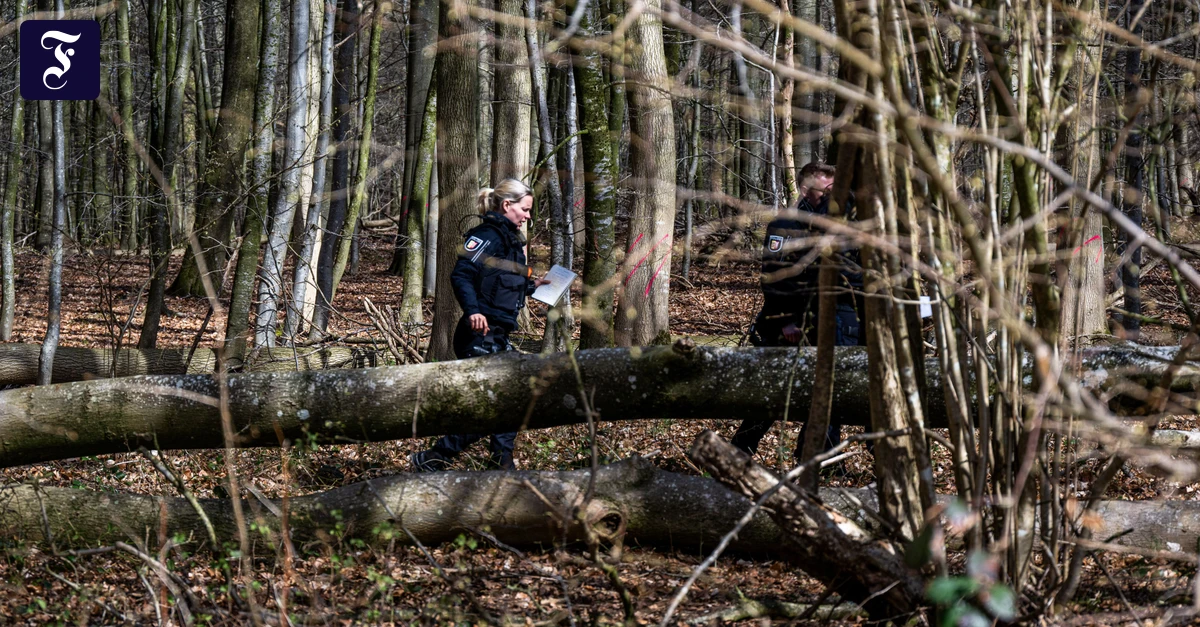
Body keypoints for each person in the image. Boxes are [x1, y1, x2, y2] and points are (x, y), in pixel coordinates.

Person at [410, 179, 548, 472]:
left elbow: (500, 286)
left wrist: (532, 286)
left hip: (498, 335)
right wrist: (473, 311)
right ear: (507, 205)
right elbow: (461, 274)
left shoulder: (512, 243)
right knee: (496, 406)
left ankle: (499, 463)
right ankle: (435, 458)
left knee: (513, 400)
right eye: (524, 210)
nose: (528, 216)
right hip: (477, 334)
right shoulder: (486, 235)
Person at [732, 162, 865, 459]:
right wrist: (785, 320)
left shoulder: (844, 221)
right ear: (806, 189)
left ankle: (817, 456)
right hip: (792, 320)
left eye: (835, 187)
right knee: (780, 388)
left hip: (835, 317)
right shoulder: (786, 224)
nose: (833, 193)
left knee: (832, 388)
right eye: (825, 188)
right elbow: (775, 277)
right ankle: (741, 449)